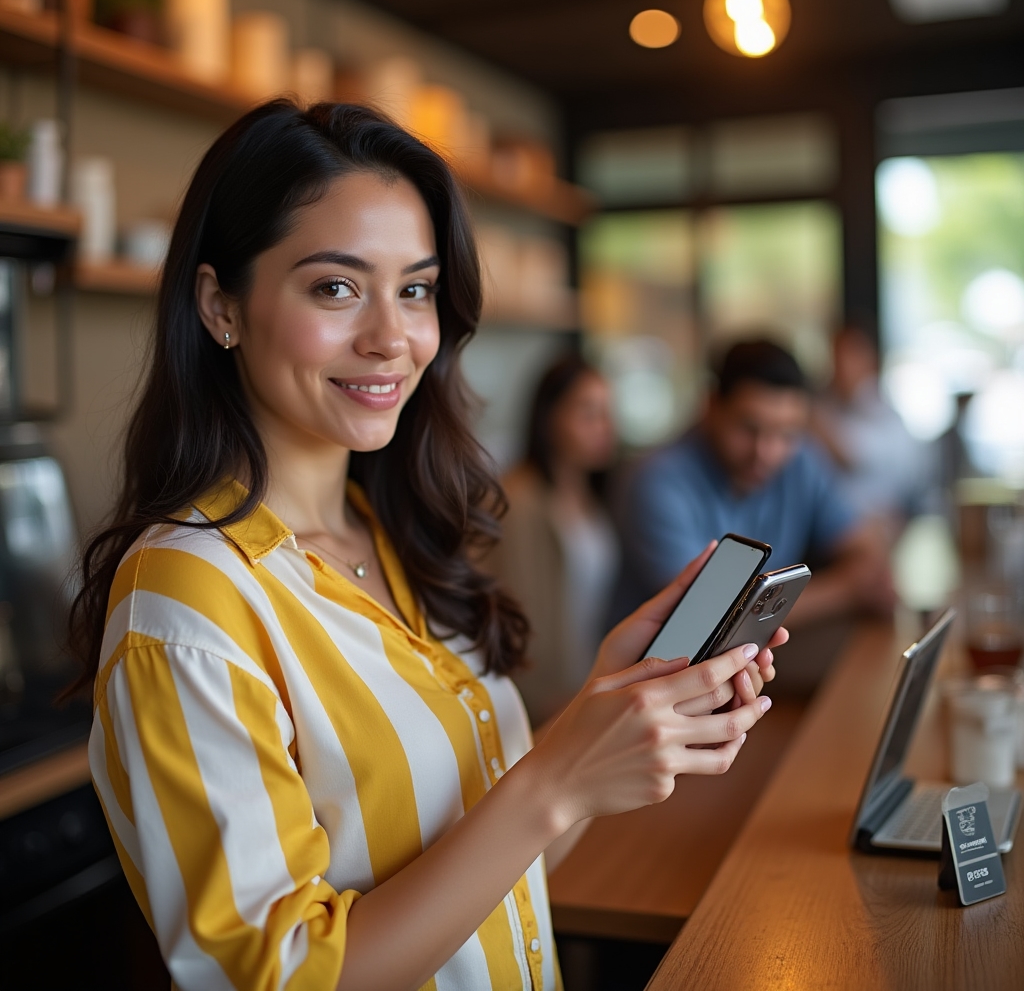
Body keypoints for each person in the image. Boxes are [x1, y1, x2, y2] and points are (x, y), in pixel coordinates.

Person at [68, 101, 782, 991]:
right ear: (221, 305)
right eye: (335, 287)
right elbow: (278, 976)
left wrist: (607, 714)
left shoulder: (394, 538)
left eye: (415, 289)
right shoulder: (187, 599)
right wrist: (554, 780)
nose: (392, 337)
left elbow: (502, 880)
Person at [614, 339, 894, 628]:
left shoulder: (801, 461)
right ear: (711, 406)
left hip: (762, 653)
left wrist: (864, 569)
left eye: (786, 432)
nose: (767, 452)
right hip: (661, 665)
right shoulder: (655, 481)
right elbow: (707, 618)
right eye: (749, 428)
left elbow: (864, 547)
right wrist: (845, 590)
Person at [491, 354, 619, 725]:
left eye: (609, 412)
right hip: (543, 703)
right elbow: (516, 615)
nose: (606, 427)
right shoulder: (517, 500)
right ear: (550, 418)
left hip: (586, 684)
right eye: (588, 413)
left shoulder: (591, 494)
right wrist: (543, 699)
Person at [812, 326, 934, 529]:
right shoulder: (828, 404)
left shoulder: (880, 410)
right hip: (833, 529)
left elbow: (851, 455)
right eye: (835, 356)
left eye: (849, 356)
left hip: (878, 527)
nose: (840, 366)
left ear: (871, 360)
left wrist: (810, 416)